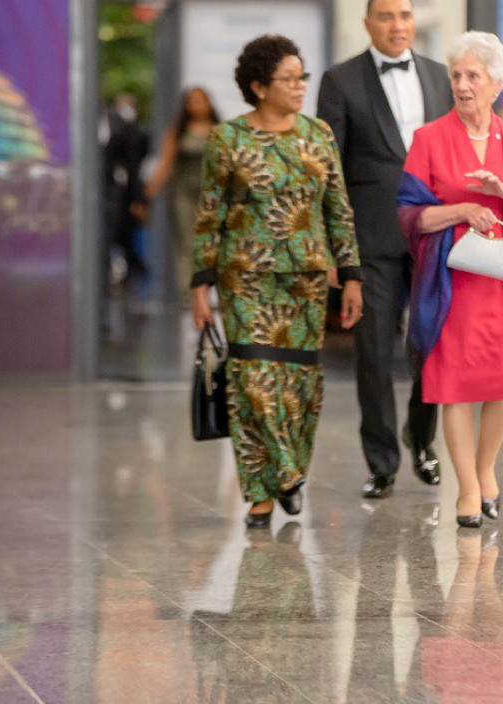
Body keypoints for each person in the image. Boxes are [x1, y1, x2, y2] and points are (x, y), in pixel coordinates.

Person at [191, 34, 364, 529]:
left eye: (301, 76)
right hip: (244, 277)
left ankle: (280, 483)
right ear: (258, 86)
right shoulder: (228, 139)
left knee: (298, 384)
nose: (299, 86)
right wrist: (200, 286)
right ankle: (274, 481)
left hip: (306, 278)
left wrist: (350, 275)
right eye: (288, 79)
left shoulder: (319, 135)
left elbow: (338, 209)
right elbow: (209, 215)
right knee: (251, 381)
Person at [397, 31, 503, 528]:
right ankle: (467, 487)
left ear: (496, 84)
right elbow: (409, 216)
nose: (462, 85)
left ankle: (486, 469)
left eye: (473, 76)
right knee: (454, 388)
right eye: (456, 76)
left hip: (502, 283)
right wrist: (462, 209)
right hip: (450, 285)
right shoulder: (428, 139)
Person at [317, 0, 453, 500]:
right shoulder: (340, 79)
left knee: (430, 346)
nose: (397, 25)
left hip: (432, 235)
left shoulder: (440, 76)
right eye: (385, 17)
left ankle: (421, 438)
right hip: (368, 240)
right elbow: (329, 171)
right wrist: (335, 249)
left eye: (404, 15)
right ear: (368, 23)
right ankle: (382, 462)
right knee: (373, 353)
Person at [143, 86, 220, 300]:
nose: (196, 105)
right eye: (191, 101)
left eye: (200, 100)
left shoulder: (220, 129)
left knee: (211, 243)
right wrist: (147, 195)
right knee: (187, 244)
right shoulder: (178, 130)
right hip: (183, 194)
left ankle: (211, 291)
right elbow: (165, 164)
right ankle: (191, 295)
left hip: (211, 194)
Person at [101, 92, 150, 292]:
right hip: (107, 190)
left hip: (119, 193)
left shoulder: (133, 132)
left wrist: (138, 198)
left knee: (119, 236)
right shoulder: (107, 123)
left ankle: (128, 271)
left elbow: (132, 165)